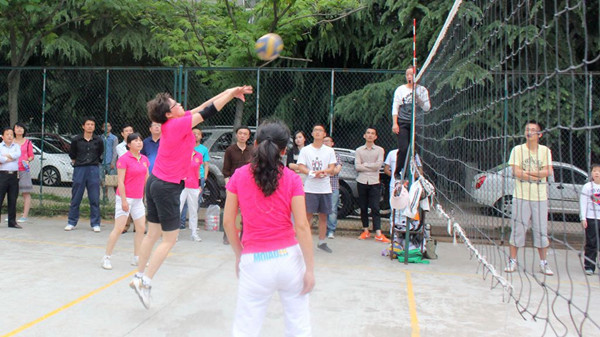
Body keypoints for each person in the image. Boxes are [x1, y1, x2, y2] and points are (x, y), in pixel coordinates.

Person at [129, 85, 252, 309]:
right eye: (176, 104)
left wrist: (230, 92)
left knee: (153, 233)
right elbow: (210, 111)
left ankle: (138, 275)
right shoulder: (176, 124)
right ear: (168, 113)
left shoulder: (175, 120)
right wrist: (231, 92)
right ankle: (145, 282)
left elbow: (204, 106)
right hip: (166, 187)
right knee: (169, 239)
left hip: (155, 183)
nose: (180, 105)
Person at [223, 120, 315, 337]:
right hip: (289, 260)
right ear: (284, 150)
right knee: (299, 325)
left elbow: (228, 221)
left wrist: (239, 255)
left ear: (255, 144)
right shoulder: (292, 178)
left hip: (254, 261)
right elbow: (301, 225)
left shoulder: (239, 176)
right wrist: (309, 269)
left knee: (246, 328)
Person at [504, 120, 554, 276]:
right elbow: (516, 172)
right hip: (521, 196)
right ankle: (512, 261)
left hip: (539, 197)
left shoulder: (545, 151)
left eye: (533, 130)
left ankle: (543, 263)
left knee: (541, 231)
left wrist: (529, 175)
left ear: (540, 134)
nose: (530, 132)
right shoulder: (517, 150)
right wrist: (535, 176)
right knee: (518, 229)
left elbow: (548, 171)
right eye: (527, 129)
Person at [101, 133, 149, 270]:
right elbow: (120, 182)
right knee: (119, 228)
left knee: (141, 228)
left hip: (138, 199)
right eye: (135, 141)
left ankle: (137, 258)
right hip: (125, 198)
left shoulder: (144, 159)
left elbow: (147, 178)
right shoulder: (123, 159)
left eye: (140, 140)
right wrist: (123, 201)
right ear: (129, 145)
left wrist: (151, 194)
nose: (139, 142)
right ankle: (106, 257)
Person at [297, 124, 337, 253]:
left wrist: (324, 172)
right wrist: (311, 173)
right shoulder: (306, 150)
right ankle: (303, 242)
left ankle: (322, 241)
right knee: (307, 216)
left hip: (325, 188)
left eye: (320, 131)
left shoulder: (329, 151)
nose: (318, 133)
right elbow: (301, 166)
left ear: (324, 134)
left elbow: (332, 168)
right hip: (310, 188)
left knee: (323, 216)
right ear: (312, 133)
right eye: (315, 130)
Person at [65, 117, 104, 232]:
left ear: (94, 127)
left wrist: (94, 163)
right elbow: (72, 154)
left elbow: (100, 153)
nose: (90, 126)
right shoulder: (76, 140)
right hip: (80, 169)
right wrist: (77, 162)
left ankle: (95, 223)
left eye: (92, 124)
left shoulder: (98, 140)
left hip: (93, 169)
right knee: (76, 196)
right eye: (88, 124)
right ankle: (71, 222)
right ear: (83, 126)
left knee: (94, 197)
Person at [391, 67, 430, 179]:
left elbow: (427, 107)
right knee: (403, 148)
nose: (409, 77)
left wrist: (417, 96)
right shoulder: (400, 90)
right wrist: (395, 123)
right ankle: (398, 171)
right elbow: (395, 106)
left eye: (412, 74)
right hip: (403, 122)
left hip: (417, 123)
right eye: (407, 74)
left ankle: (417, 172)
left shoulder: (422, 90)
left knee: (416, 149)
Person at [355, 127, 389, 243]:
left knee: (375, 207)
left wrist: (366, 165)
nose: (370, 135)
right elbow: (357, 166)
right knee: (363, 207)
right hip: (362, 181)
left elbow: (378, 166)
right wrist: (371, 166)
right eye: (368, 133)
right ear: (364, 135)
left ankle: (378, 233)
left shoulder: (380, 150)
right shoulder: (359, 150)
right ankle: (365, 230)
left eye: (372, 133)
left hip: (375, 181)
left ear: (375, 137)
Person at [222, 125, 254, 244]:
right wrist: (228, 187)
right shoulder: (230, 150)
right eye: (240, 133)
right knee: (231, 212)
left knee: (247, 212)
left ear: (248, 136)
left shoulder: (252, 151)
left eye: (245, 134)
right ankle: (228, 236)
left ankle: (244, 236)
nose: (242, 136)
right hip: (233, 186)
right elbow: (226, 171)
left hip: (248, 186)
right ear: (236, 135)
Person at [179, 128, 208, 229]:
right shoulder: (181, 151)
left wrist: (202, 181)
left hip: (195, 181)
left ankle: (193, 229)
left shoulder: (200, 153)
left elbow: (204, 166)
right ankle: (179, 224)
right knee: (180, 204)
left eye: (197, 134)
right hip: (182, 183)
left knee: (194, 205)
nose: (194, 137)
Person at [580, 163, 600, 276]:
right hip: (591, 219)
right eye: (594, 171)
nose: (597, 173)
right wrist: (583, 218)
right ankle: (589, 266)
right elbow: (583, 204)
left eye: (599, 171)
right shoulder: (587, 187)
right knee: (591, 243)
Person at [179, 147, 203, 242]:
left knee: (193, 210)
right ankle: (174, 233)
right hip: (181, 186)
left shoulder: (198, 155)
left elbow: (198, 171)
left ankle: (194, 233)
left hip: (193, 186)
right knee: (178, 209)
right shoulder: (180, 154)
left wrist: (199, 184)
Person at [0, 127, 22, 229]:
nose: (9, 136)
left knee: (13, 198)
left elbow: (18, 154)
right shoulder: (0, 146)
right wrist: (9, 158)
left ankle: (12, 222)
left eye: (11, 134)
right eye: (7, 134)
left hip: (14, 175)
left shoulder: (16, 146)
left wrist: (5, 157)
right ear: (2, 136)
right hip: (2, 175)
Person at [13, 122, 34, 223]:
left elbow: (31, 156)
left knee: (25, 193)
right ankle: (11, 214)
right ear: (14, 130)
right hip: (12, 170)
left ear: (24, 130)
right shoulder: (10, 142)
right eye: (17, 127)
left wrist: (27, 160)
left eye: (21, 127)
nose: (19, 129)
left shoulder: (28, 142)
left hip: (24, 170)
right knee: (12, 193)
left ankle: (24, 215)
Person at [323, 135, 342, 239]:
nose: (325, 143)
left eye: (328, 141)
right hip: (321, 186)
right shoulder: (319, 155)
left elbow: (336, 170)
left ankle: (331, 230)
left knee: (332, 209)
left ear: (332, 143)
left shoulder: (336, 155)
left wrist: (326, 170)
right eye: (324, 141)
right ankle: (323, 229)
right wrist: (330, 170)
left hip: (333, 186)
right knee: (323, 209)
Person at [100, 122, 118, 202]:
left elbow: (115, 151)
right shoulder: (100, 138)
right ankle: (105, 197)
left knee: (114, 182)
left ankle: (118, 198)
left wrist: (113, 162)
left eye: (108, 126)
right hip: (101, 162)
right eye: (105, 126)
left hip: (111, 163)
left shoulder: (114, 138)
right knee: (102, 180)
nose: (107, 127)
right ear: (102, 128)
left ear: (111, 127)